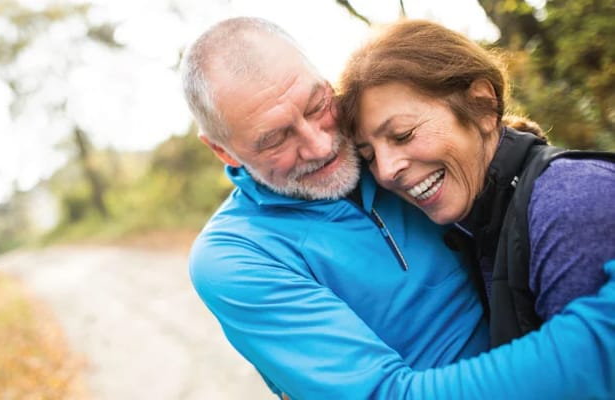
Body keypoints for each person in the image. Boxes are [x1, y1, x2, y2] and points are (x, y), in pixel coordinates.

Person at [180, 16, 615, 399]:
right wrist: (601, 335)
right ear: (225, 152)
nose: (320, 145)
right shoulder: (237, 255)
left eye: (318, 106)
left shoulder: (387, 153)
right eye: (275, 139)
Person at [336, 19, 615, 347]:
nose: (385, 171)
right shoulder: (477, 227)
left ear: (482, 105)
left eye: (403, 135)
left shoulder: (569, 206)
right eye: (368, 155)